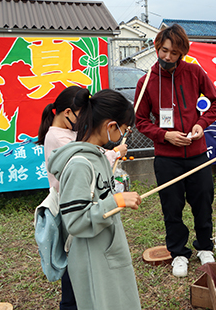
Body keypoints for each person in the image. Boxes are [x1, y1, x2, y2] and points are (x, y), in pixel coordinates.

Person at [134, 24, 216, 277]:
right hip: (166, 158)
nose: (168, 57)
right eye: (164, 51)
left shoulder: (194, 72)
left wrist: (200, 124)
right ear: (156, 47)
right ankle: (178, 253)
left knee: (203, 202)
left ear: (182, 52)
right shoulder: (146, 81)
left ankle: (204, 246)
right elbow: (141, 121)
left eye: (174, 53)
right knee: (171, 207)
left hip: (198, 155)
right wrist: (165, 135)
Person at [47, 89, 142, 310]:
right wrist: (116, 201)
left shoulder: (98, 156)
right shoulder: (80, 164)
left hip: (106, 249)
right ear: (111, 126)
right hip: (92, 257)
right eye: (124, 130)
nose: (122, 136)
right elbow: (75, 221)